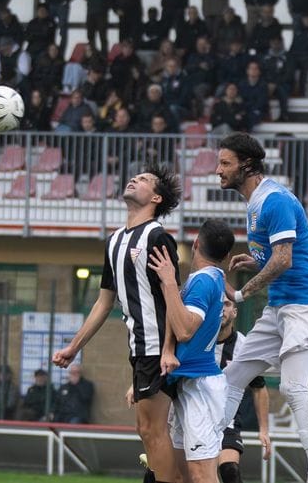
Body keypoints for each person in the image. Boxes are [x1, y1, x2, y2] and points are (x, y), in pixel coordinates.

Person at [216, 133, 308, 483]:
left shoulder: (275, 200)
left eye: (225, 163)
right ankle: (209, 450)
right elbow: (280, 256)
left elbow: (283, 260)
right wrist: (255, 263)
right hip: (282, 304)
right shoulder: (254, 202)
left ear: (247, 165)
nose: (218, 171)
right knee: (232, 377)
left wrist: (241, 294)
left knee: (292, 387)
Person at [53, 164, 182, 483]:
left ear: (155, 197)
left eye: (144, 180)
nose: (134, 178)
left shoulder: (158, 236)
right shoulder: (113, 242)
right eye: (134, 175)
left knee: (154, 430)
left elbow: (171, 299)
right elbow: (103, 301)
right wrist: (74, 347)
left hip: (158, 348)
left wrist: (168, 348)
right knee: (145, 429)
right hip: (139, 349)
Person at [143, 219, 234, 483]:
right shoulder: (210, 278)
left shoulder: (204, 282)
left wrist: (169, 282)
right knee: (182, 472)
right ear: (227, 256)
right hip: (187, 383)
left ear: (195, 245)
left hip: (201, 388)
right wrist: (167, 352)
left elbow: (184, 329)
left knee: (201, 474)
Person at [212, 296, 272, 483]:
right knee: (161, 473)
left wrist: (263, 430)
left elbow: (259, 388)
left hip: (227, 420)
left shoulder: (244, 346)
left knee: (230, 471)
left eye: (227, 304)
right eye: (217, 304)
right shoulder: (196, 339)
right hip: (195, 415)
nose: (222, 309)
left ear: (235, 312)